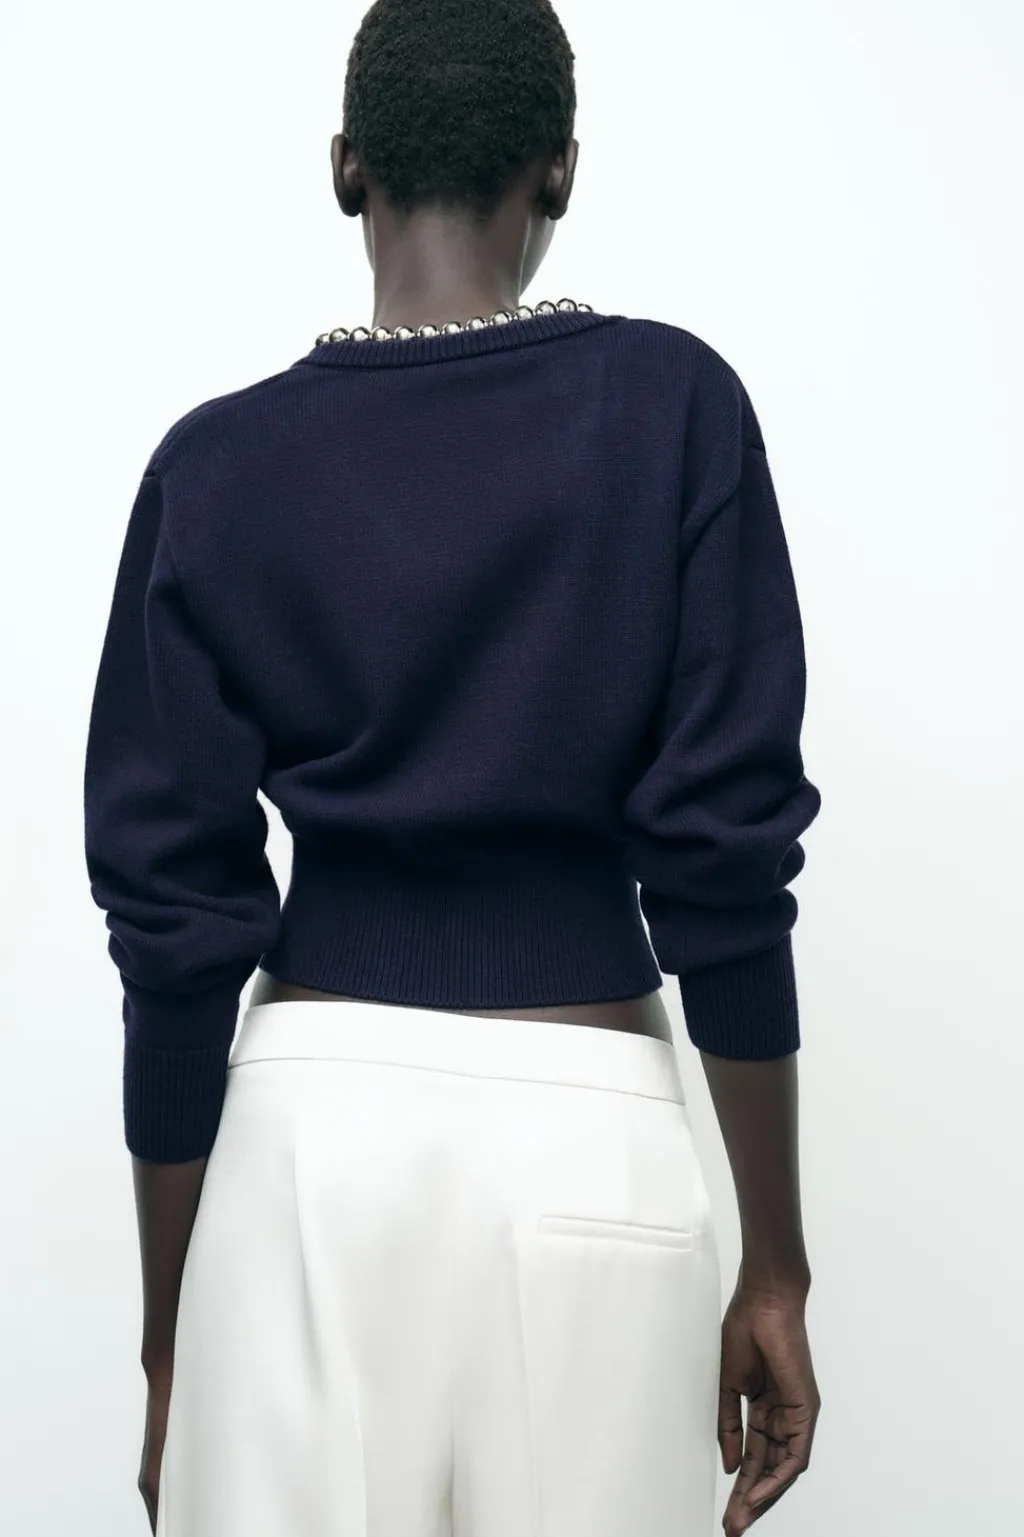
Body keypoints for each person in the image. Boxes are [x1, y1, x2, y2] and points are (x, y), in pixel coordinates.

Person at [82, 1, 823, 1533]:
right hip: (594, 1140)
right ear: (560, 172)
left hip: (306, 1157)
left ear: (344, 166)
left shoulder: (216, 467)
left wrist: (171, 1338)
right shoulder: (673, 409)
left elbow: (173, 926)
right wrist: (776, 1263)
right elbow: (724, 858)